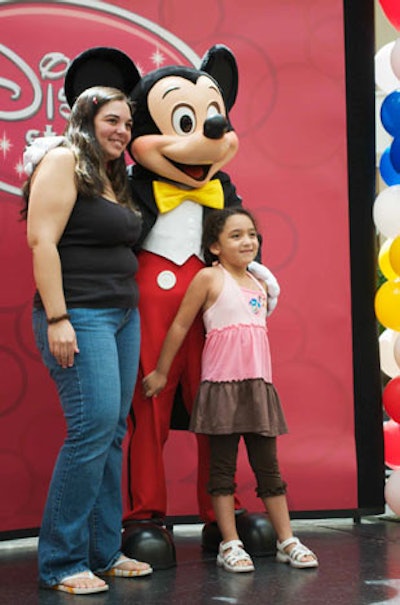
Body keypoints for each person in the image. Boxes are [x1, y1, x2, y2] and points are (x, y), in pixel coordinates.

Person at [21, 85, 153, 594]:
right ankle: (61, 562)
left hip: (122, 315)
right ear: (85, 118)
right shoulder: (62, 160)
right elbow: (42, 241)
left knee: (113, 432)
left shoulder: (110, 174)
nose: (122, 131)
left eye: (127, 123)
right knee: (91, 430)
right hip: (80, 314)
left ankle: (104, 550)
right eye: (112, 121)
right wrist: (58, 318)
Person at [143, 207, 319, 573]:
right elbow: (179, 326)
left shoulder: (260, 283)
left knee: (269, 470)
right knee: (221, 471)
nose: (248, 241)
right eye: (236, 235)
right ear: (215, 246)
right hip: (221, 388)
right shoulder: (209, 278)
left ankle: (287, 540)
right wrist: (161, 371)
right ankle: (230, 543)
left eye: (252, 234)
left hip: (258, 388)